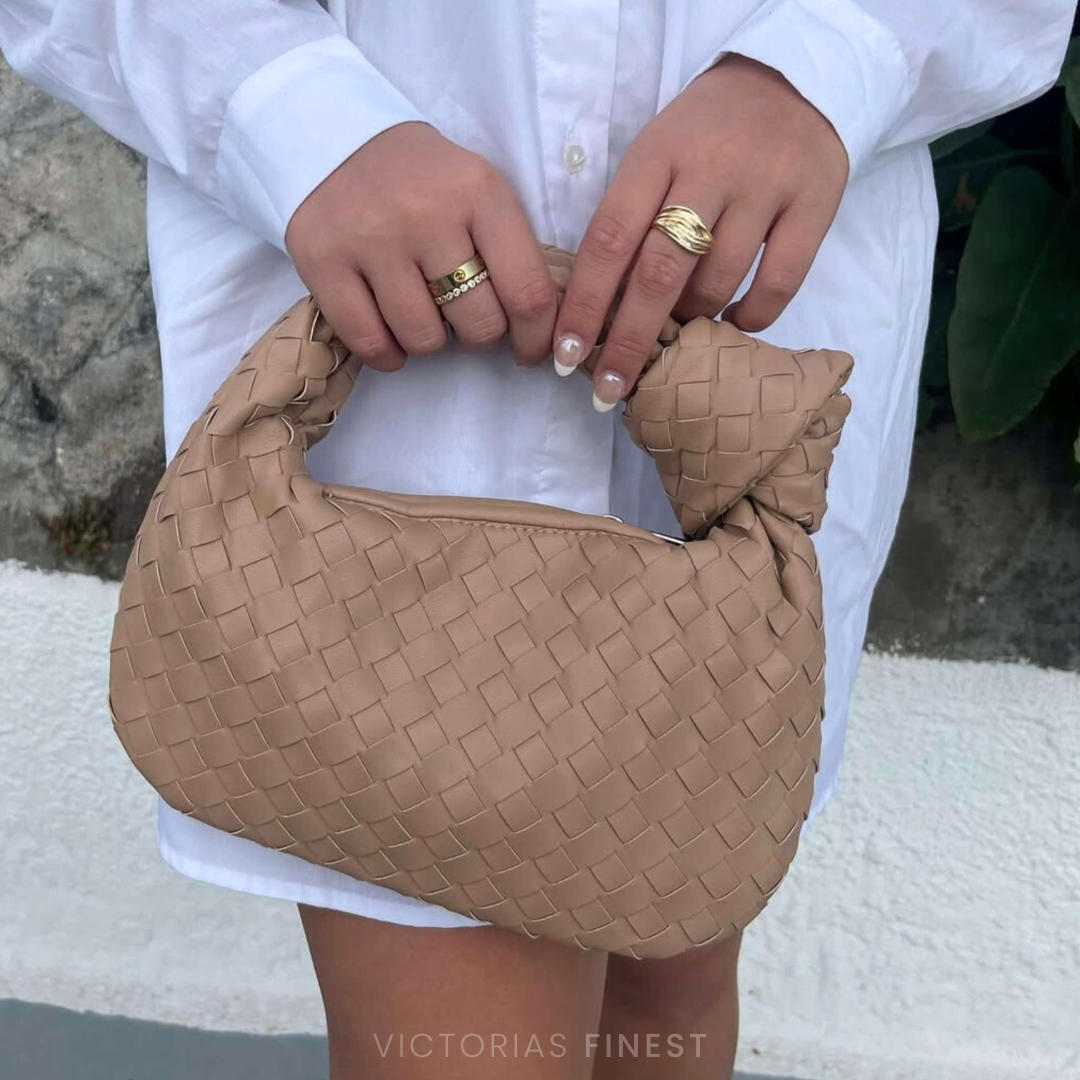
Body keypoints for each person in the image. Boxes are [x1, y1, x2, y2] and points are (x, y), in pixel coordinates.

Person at [2, 3, 1074, 1077]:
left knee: (673, 977)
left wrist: (822, 65)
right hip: (368, 296)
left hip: (756, 294)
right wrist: (291, 112)